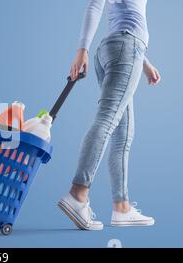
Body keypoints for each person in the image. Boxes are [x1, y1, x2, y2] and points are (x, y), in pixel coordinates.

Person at [57, 0, 161, 231]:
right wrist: (81, 49)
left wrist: (143, 61)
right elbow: (95, 4)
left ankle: (121, 207)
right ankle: (78, 194)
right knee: (107, 120)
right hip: (126, 47)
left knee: (123, 133)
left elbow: (124, 16)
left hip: (118, 48)